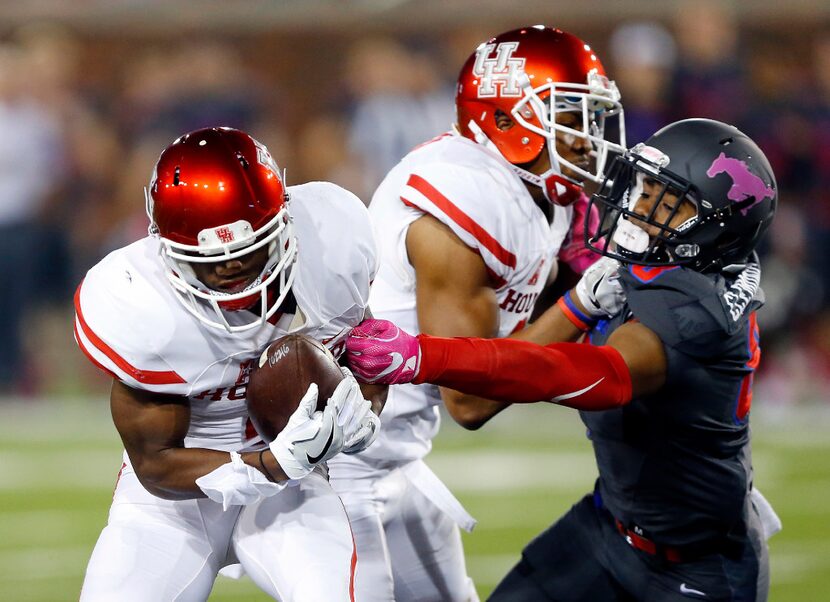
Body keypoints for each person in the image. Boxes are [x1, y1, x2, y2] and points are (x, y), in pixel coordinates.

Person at [347, 118, 778, 601]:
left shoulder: (695, 310)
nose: (638, 209)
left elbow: (587, 374)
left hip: (695, 568)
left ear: (716, 227)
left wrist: (423, 357)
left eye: (665, 202)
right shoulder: (662, 264)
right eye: (645, 188)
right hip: (608, 527)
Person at [327, 25, 626, 602]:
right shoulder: (461, 200)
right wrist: (582, 300)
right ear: (509, 121)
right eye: (570, 116)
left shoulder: (537, 191)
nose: (589, 138)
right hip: (330, 473)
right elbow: (471, 398)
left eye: (590, 117)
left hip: (393, 459)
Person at [73, 126, 382, 601]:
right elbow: (154, 464)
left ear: (284, 220)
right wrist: (269, 462)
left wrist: (363, 412)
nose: (229, 268)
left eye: (248, 247)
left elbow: (367, 353)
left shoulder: (332, 243)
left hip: (296, 488)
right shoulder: (141, 303)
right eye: (207, 257)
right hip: (178, 500)